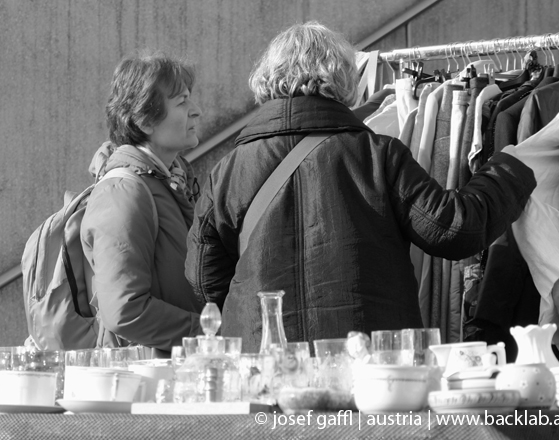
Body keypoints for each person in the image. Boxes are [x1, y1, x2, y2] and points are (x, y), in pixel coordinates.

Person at [185, 22, 537, 353]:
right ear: (341, 78)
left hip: (261, 356)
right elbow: (455, 229)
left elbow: (205, 280)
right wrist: (512, 167)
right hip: (365, 358)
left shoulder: (227, 170)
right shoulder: (377, 156)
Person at [81, 50, 204, 354]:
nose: (196, 111)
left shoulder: (169, 183)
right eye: (181, 102)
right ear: (145, 120)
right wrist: (211, 334)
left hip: (171, 375)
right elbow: (125, 309)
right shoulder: (123, 192)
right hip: (145, 384)